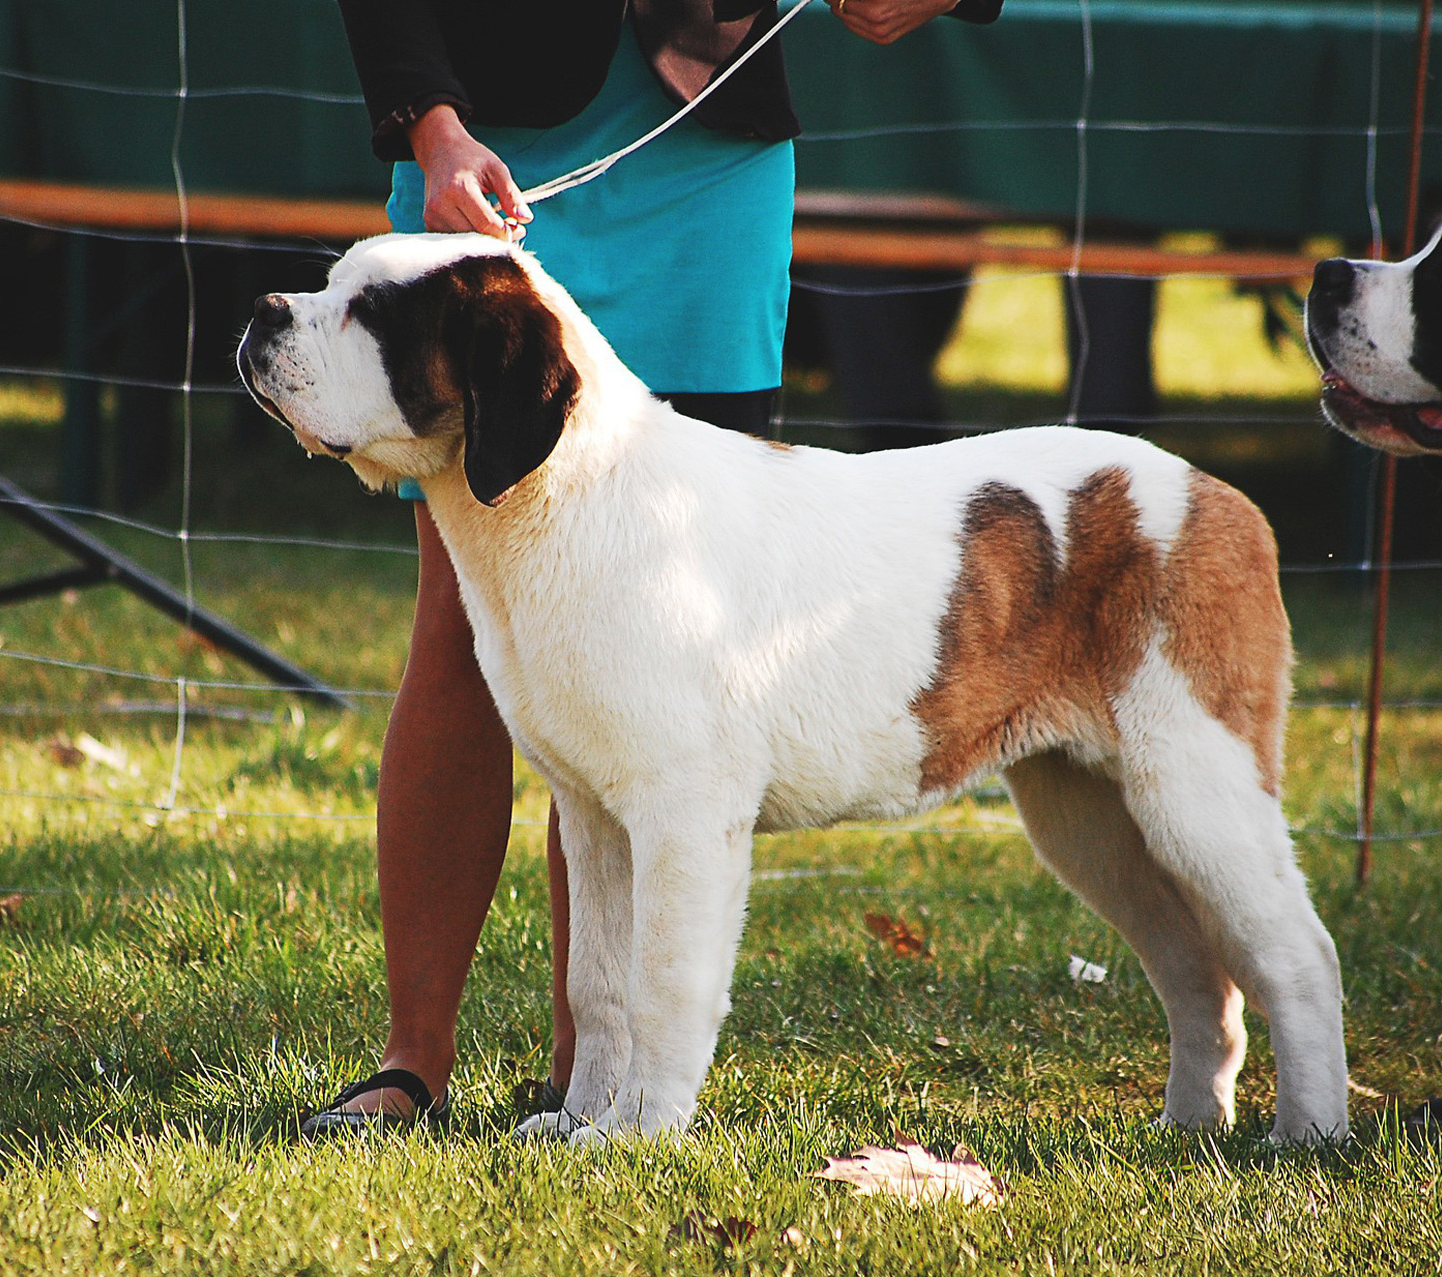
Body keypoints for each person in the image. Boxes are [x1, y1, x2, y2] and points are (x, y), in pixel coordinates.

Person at [309, 0, 1002, 1135]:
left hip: (707, 161)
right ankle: (411, 1059)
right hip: (476, 160)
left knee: (659, 646)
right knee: (462, 629)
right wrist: (428, 128)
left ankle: (601, 1069)